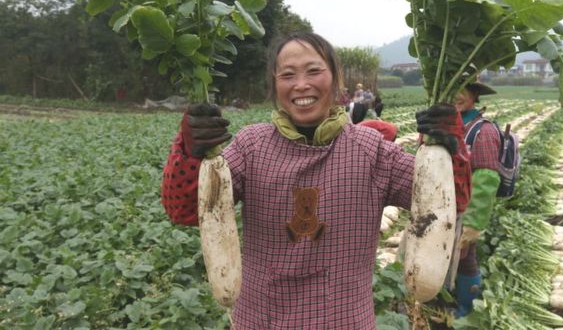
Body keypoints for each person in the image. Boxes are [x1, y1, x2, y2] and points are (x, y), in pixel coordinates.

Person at [161, 32, 471, 328]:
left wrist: (447, 150)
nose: (301, 85)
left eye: (313, 71)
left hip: (345, 320)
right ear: (274, 85)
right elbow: (186, 210)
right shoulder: (250, 146)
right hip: (261, 320)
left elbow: (448, 202)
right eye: (287, 75)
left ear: (336, 79)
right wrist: (190, 152)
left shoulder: (371, 149)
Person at [452, 82, 501, 317]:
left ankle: (467, 309)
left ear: (475, 95)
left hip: (466, 210)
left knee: (464, 256)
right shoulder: (439, 125)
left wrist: (473, 223)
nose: (457, 96)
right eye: (452, 88)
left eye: (463, 89)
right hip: (441, 208)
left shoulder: (483, 131)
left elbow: (486, 179)